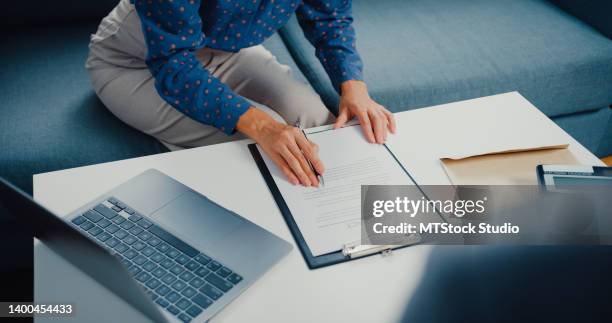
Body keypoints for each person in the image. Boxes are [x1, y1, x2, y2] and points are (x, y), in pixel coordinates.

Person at [86, 0, 395, 187]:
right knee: (268, 148)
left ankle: (379, 235)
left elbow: (329, 16)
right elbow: (173, 63)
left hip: (225, 52)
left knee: (321, 123)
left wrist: (353, 86)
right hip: (133, 64)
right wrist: (263, 126)